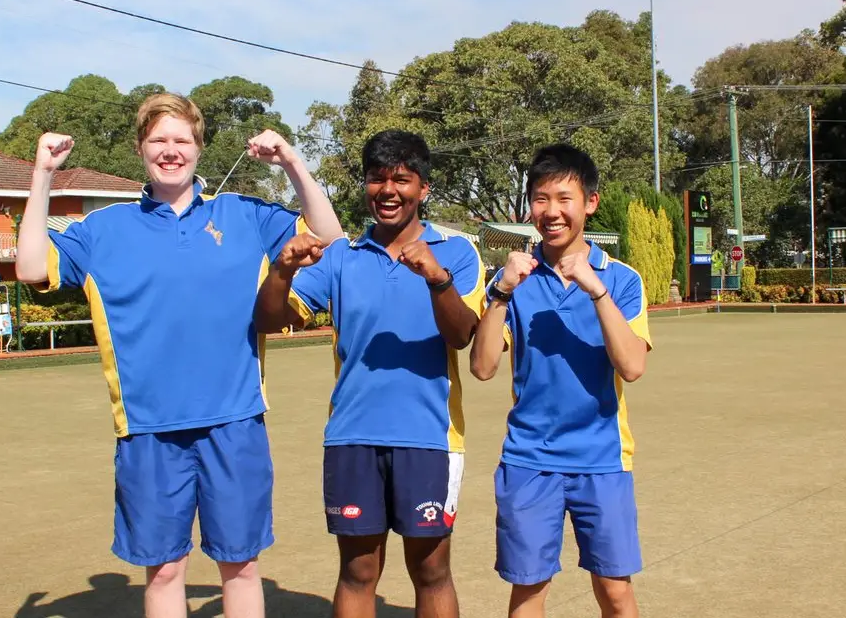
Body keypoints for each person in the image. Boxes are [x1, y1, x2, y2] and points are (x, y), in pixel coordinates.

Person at [14, 92, 343, 618]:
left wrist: (292, 163)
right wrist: (43, 175)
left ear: (199, 148)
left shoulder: (243, 215)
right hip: (147, 428)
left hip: (235, 422)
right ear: (141, 148)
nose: (171, 150)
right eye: (159, 140)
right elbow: (31, 268)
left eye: (182, 140)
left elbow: (331, 237)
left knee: (240, 566)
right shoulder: (104, 228)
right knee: (165, 570)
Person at [252, 130, 485, 618]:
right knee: (358, 572)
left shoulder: (457, 251)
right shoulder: (341, 255)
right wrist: (282, 270)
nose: (389, 190)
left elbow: (464, 335)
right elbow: (273, 319)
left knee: (432, 570)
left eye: (402, 179)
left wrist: (437, 279)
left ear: (424, 189)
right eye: (378, 179)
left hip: (429, 438)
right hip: (352, 436)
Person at [468, 144, 652, 618]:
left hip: (602, 458)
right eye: (541, 199)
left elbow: (632, 366)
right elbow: (483, 366)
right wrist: (502, 290)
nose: (551, 212)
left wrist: (596, 290)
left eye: (564, 198)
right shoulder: (514, 279)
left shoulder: (622, 279)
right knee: (529, 591)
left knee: (614, 591)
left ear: (589, 201)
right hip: (529, 459)